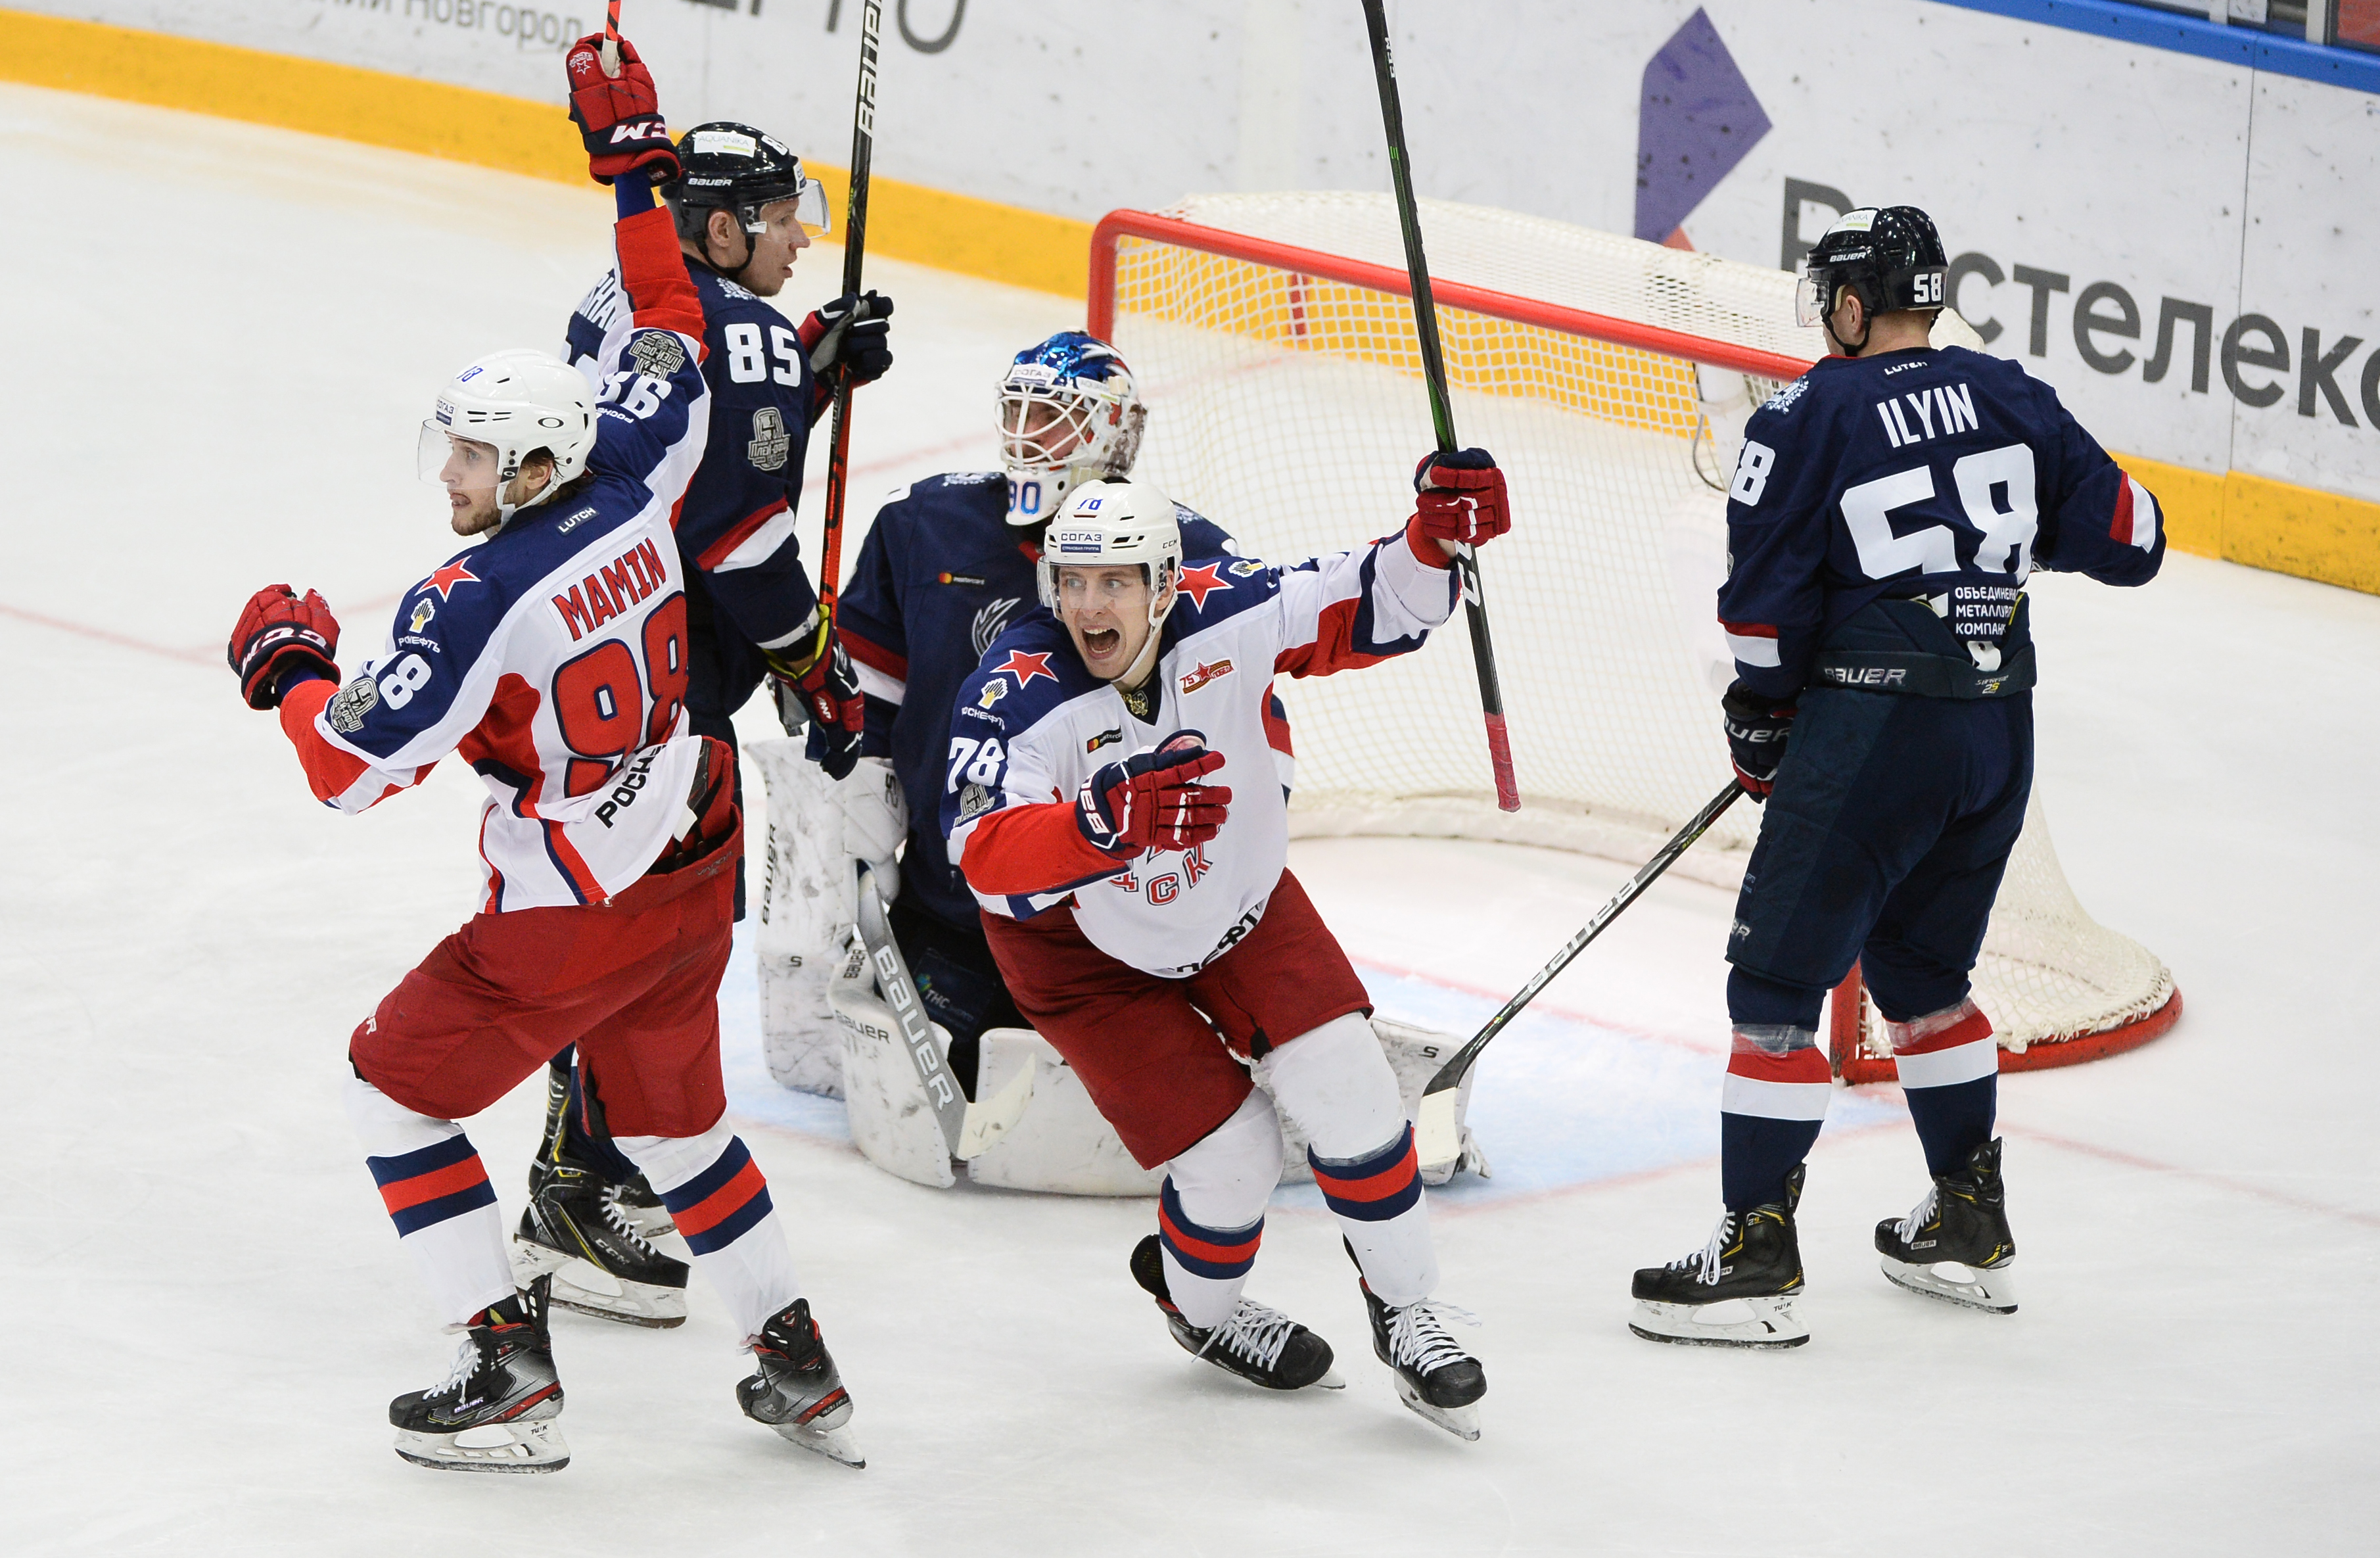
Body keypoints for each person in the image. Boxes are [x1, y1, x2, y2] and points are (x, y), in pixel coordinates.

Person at [223, 62, 862, 1474]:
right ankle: (796, 1358)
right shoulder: (635, 482)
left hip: (572, 906)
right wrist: (634, 167)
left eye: (473, 454)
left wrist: (290, 671)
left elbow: (346, 772)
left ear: (528, 470)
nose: (450, 474)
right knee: (681, 1130)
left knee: (394, 1090)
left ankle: (503, 1370)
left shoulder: (474, 601)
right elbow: (679, 322)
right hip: (694, 849)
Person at [1628, 206, 2166, 1349]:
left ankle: (1755, 1255)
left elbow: (1761, 612)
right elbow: (2138, 537)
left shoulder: (1806, 409)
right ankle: (1970, 1223)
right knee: (1922, 970)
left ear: (1854, 303)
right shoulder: (2015, 396)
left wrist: (1761, 721)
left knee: (1774, 988)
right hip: (1994, 729)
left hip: (1873, 732)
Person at [941, 461, 1511, 1441]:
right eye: (1071, 581)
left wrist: (1432, 538)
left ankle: (1407, 1306)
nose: (1088, 604)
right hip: (1082, 957)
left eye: (1114, 581)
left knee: (1351, 1085)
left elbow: (1372, 603)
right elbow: (983, 858)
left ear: (1165, 584)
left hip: (1237, 903)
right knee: (1235, 1159)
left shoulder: (1226, 608)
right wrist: (1101, 825)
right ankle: (1195, 1308)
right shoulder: (1016, 693)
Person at [517, 39, 898, 1322]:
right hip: (676, 690)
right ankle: (580, 1190)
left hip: (596, 662)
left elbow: (672, 444)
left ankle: (588, 1169)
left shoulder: (618, 302)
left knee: (621, 927)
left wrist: (804, 372)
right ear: (726, 226)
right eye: (783, 224)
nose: (799, 243)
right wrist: (816, 668)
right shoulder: (739, 341)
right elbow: (741, 535)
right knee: (652, 940)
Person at [768, 331, 1288, 1094]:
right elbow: (865, 692)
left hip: (1122, 917)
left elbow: (1244, 715)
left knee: (1181, 1092)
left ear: (1115, 429)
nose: (1026, 437)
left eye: (1052, 417)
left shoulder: (1190, 550)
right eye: (1017, 412)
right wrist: (858, 791)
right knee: (933, 1082)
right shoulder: (925, 524)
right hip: (956, 904)